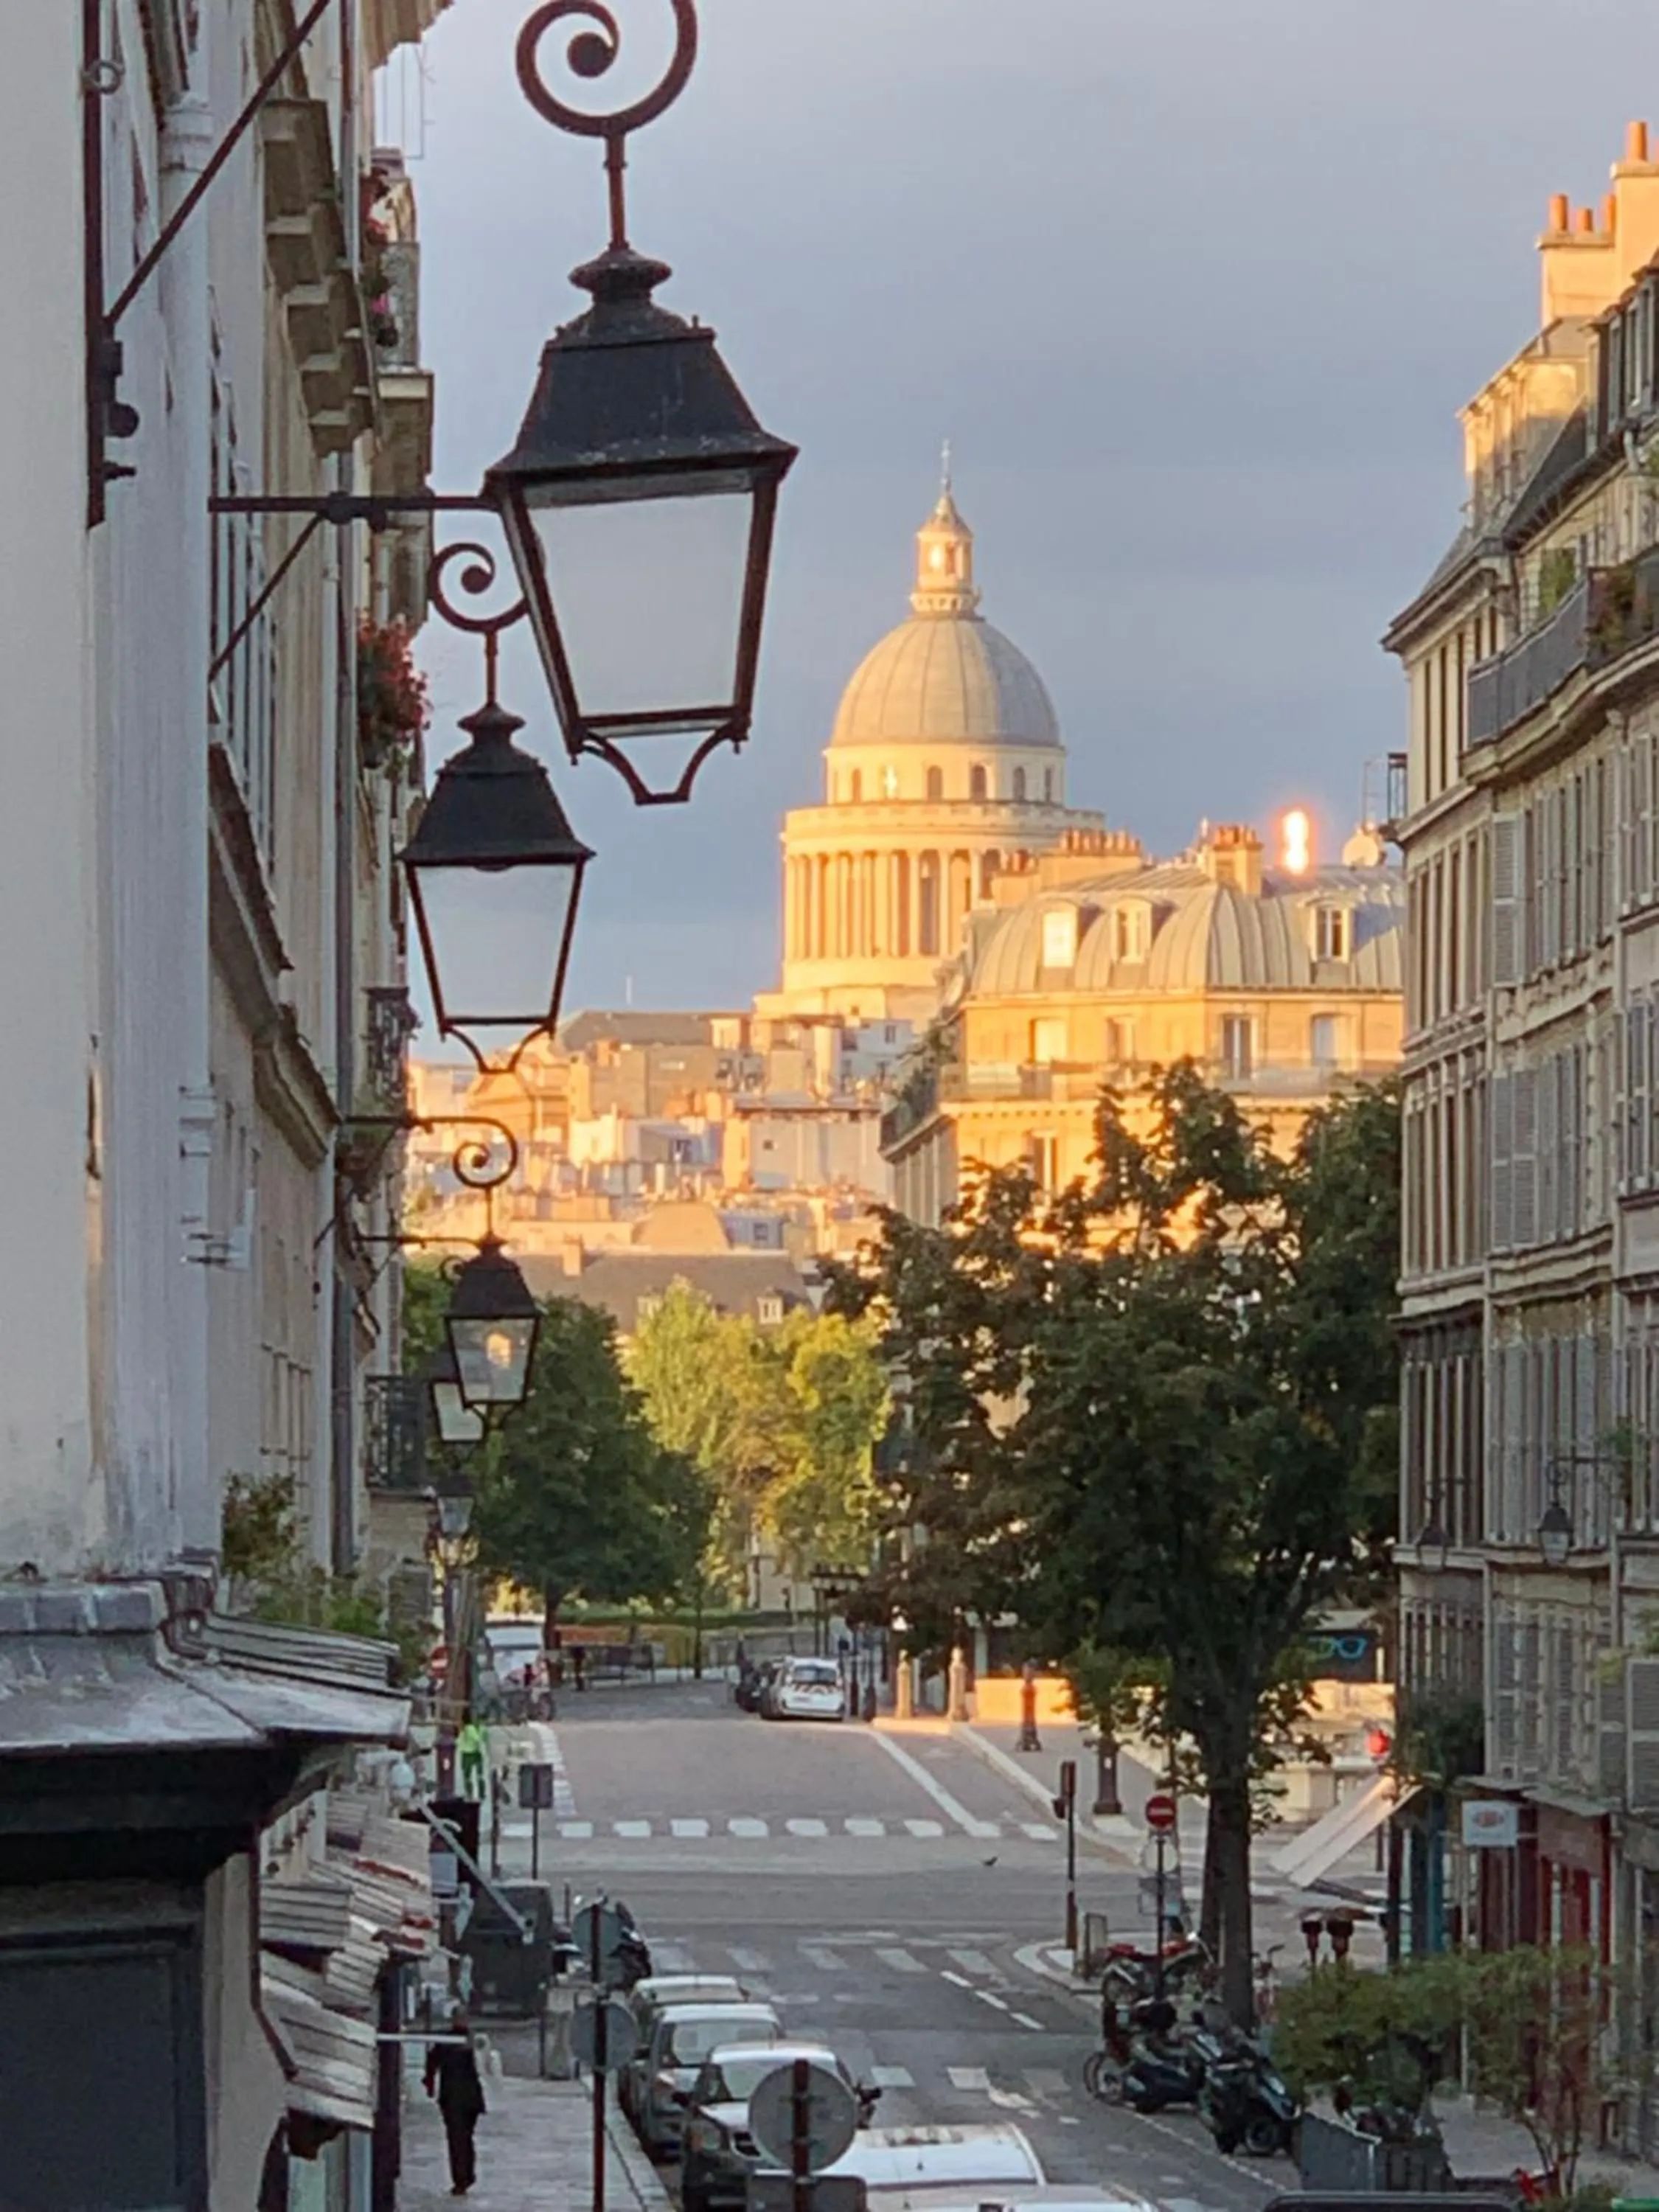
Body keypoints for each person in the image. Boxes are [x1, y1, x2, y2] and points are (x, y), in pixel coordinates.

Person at [425, 2006, 486, 2197]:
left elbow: (432, 2063)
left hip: (465, 2099)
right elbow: (432, 2064)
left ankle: (464, 2176)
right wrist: (430, 2084)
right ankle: (462, 2178)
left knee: (462, 2138)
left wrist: (430, 2083)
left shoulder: (468, 2040)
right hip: (455, 2098)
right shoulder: (450, 2042)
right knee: (459, 2139)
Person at [457, 1717, 486, 1801]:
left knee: (468, 1775)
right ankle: (479, 1793)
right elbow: (478, 1739)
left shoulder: (466, 1729)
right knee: (477, 1774)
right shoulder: (469, 1729)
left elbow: (459, 1741)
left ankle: (470, 1793)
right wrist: (482, 1731)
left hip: (467, 1754)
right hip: (471, 1753)